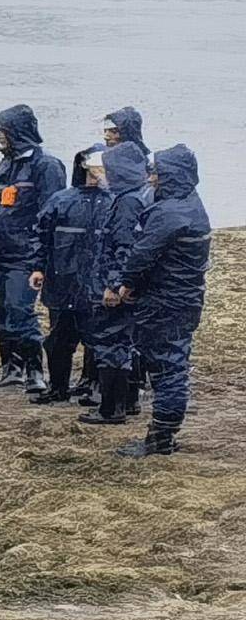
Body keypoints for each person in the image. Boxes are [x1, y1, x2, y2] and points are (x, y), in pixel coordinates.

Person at [104, 142, 210, 458]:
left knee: (167, 369)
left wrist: (124, 285)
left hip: (165, 303)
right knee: (172, 363)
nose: (150, 178)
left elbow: (141, 255)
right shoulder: (191, 203)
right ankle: (163, 433)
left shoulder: (169, 213)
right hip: (185, 299)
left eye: (156, 173)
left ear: (170, 176)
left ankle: (161, 437)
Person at [0, 106, 68, 389]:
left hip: (24, 255)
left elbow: (52, 213)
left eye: (2, 131)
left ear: (15, 132)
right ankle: (11, 368)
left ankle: (34, 371)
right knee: (2, 312)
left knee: (21, 311)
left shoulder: (46, 166)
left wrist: (40, 257)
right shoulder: (6, 164)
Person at [87, 115, 158, 423]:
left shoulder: (128, 202)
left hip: (118, 285)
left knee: (112, 341)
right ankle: (126, 403)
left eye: (104, 169)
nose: (99, 174)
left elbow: (125, 248)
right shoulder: (138, 194)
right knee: (124, 342)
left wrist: (115, 285)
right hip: (132, 284)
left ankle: (111, 408)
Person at [37, 147, 111, 407]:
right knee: (58, 341)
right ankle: (58, 388)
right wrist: (37, 268)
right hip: (62, 282)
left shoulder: (116, 201)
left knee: (100, 339)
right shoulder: (61, 199)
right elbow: (42, 238)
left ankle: (95, 387)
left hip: (100, 286)